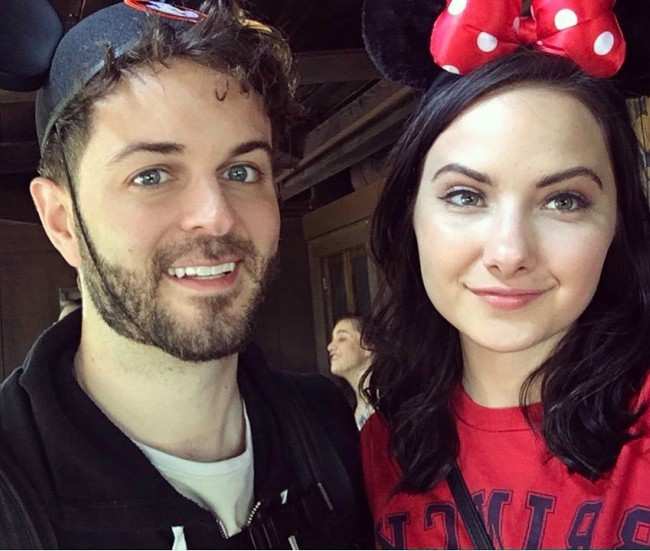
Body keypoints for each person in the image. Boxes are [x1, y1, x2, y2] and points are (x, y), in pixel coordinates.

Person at [0, 1, 372, 548]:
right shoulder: (13, 489)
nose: (217, 215)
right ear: (62, 222)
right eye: (151, 175)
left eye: (242, 170)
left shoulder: (329, 429)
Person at [360, 0, 650, 548]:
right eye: (466, 196)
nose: (509, 251)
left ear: (618, 224)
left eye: (564, 201)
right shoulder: (384, 446)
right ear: (410, 215)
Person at [327, 315, 374, 429]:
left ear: (368, 345)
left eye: (342, 338)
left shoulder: (394, 401)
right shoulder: (350, 414)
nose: (330, 347)